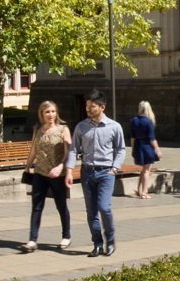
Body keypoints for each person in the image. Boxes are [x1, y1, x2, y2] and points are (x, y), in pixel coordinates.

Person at [68, 89, 126, 258]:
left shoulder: (114, 127)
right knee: (91, 211)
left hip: (106, 173)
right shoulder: (81, 127)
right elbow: (73, 150)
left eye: (92, 106)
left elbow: (121, 149)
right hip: (87, 172)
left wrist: (114, 168)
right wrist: (70, 171)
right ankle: (97, 244)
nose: (88, 109)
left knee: (104, 207)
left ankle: (111, 239)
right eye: (87, 106)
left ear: (102, 107)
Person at [22, 101, 73, 252]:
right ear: (41, 114)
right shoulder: (37, 129)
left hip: (57, 174)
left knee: (61, 206)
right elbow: (33, 150)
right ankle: (32, 240)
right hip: (40, 173)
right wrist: (27, 167)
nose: (50, 115)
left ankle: (66, 236)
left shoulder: (63, 129)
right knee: (36, 207)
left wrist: (60, 167)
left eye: (53, 111)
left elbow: (69, 153)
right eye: (47, 112)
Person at [128, 101, 161, 200]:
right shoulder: (148, 121)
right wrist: (157, 149)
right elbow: (152, 138)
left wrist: (133, 149)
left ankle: (138, 188)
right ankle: (144, 192)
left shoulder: (133, 120)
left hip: (138, 145)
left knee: (143, 169)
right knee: (147, 170)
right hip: (147, 146)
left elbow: (132, 137)